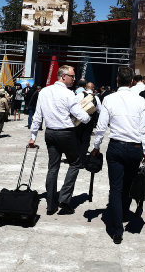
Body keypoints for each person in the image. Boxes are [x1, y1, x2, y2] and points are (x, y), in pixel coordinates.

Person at [91, 67, 145, 244]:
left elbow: (101, 127)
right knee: (129, 184)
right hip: (134, 148)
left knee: (115, 188)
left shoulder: (109, 99)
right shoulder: (140, 101)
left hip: (116, 147)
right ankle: (124, 212)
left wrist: (96, 146)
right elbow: (144, 128)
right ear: (132, 81)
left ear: (117, 81)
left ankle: (117, 230)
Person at [28, 65, 90, 215]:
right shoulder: (69, 94)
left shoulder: (44, 92)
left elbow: (37, 116)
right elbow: (82, 116)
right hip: (66, 133)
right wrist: (88, 116)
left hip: (50, 133)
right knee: (75, 163)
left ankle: (50, 204)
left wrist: (32, 136)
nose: (74, 79)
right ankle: (64, 198)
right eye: (72, 76)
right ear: (63, 77)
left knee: (53, 167)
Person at [75, 82, 102, 166]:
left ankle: (75, 159)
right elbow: (100, 110)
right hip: (89, 122)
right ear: (93, 89)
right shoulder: (96, 98)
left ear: (85, 88)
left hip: (78, 121)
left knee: (77, 139)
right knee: (85, 140)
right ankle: (82, 160)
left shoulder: (79, 95)